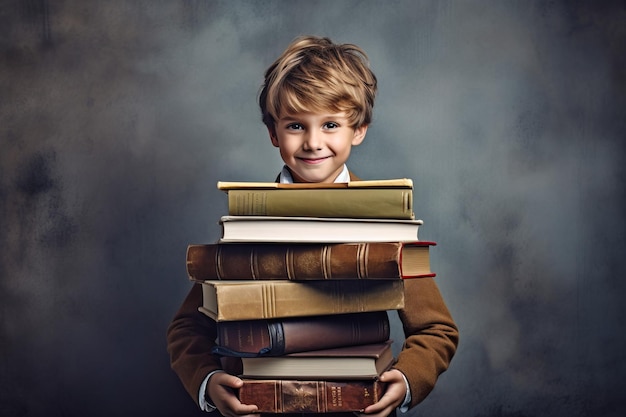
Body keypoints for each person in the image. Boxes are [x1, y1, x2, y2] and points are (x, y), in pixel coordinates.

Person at [167, 35, 459, 417]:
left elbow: (437, 330)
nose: (313, 142)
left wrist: (406, 380)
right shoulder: (248, 225)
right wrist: (207, 381)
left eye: (331, 124)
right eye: (295, 126)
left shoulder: (383, 226)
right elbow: (186, 329)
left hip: (353, 408)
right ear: (273, 133)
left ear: (359, 130)